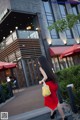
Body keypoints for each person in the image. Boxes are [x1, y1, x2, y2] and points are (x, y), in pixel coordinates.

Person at [38, 56, 67, 120]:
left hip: (49, 86)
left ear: (40, 61)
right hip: (53, 84)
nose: (38, 62)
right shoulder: (48, 66)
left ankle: (63, 117)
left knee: (56, 102)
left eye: (38, 61)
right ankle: (52, 113)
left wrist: (41, 81)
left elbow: (45, 77)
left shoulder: (41, 67)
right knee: (50, 100)